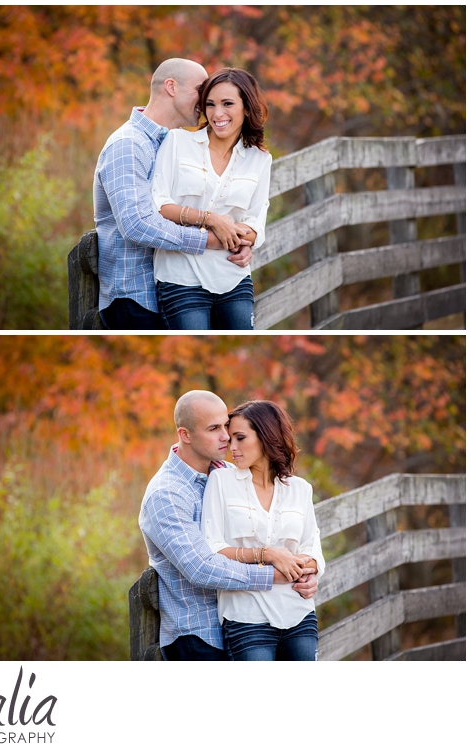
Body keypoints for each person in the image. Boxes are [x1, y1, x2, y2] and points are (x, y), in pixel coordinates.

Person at [138, 390, 317, 661]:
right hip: (199, 636)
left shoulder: (225, 473)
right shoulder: (167, 495)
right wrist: (280, 575)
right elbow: (201, 568)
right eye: (214, 429)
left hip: (248, 623)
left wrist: (306, 571)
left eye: (226, 426)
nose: (225, 436)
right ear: (185, 435)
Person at [94, 58, 253, 331]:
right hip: (137, 299)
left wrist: (237, 238)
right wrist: (211, 240)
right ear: (171, 87)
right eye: (200, 91)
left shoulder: (176, 143)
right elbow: (137, 224)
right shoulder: (128, 145)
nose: (205, 102)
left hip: (178, 292)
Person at [150, 68, 273, 329]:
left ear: (247, 108)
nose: (217, 114)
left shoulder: (260, 160)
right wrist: (212, 220)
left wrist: (243, 237)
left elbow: (256, 223)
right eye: (210, 104)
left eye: (228, 104)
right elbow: (159, 206)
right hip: (180, 276)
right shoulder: (176, 141)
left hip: (233, 276)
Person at [202, 400, 325, 660]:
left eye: (240, 438)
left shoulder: (300, 489)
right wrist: (267, 554)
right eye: (230, 438)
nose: (231, 447)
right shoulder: (221, 481)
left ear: (267, 436)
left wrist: (307, 569)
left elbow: (313, 550)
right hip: (246, 617)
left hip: (298, 613)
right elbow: (213, 549)